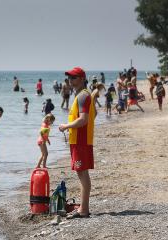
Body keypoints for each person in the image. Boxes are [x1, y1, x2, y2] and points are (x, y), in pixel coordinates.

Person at [59, 67, 97, 218]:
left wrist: (66, 126)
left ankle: (84, 209)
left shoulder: (82, 96)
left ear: (82, 78)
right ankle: (83, 207)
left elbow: (84, 119)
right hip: (80, 140)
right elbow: (93, 115)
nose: (70, 80)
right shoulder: (83, 95)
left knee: (82, 174)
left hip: (81, 141)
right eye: (69, 77)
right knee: (82, 173)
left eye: (74, 77)